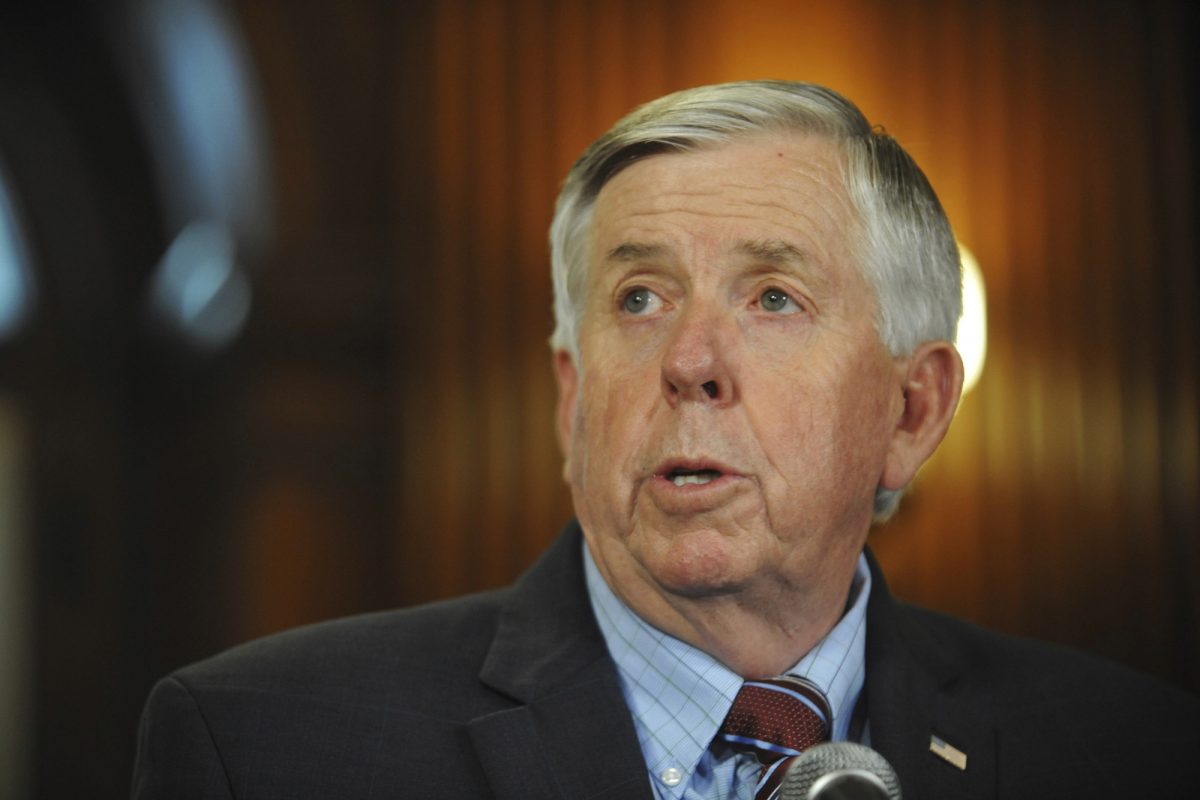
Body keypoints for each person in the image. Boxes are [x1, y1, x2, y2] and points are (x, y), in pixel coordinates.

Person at [132, 80, 1198, 799]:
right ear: (572, 400)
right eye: (639, 297)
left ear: (912, 410)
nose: (690, 360)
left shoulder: (1133, 751)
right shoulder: (263, 746)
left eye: (773, 297)